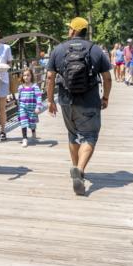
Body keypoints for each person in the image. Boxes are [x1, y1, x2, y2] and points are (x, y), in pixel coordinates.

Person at [46, 16, 112, 196]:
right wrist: (105, 97)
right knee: (89, 136)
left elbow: (50, 77)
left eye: (69, 28)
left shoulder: (58, 50)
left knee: (73, 134)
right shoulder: (95, 50)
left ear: (74, 31)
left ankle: (75, 166)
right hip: (89, 100)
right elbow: (107, 77)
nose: (68, 31)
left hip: (66, 100)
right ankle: (80, 170)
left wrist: (50, 100)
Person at [17, 68, 43, 147]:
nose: (26, 77)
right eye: (24, 75)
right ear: (22, 77)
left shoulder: (35, 87)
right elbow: (19, 98)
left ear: (31, 76)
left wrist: (38, 107)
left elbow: (38, 97)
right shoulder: (20, 87)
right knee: (23, 122)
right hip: (23, 108)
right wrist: (18, 107)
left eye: (28, 75)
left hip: (32, 108)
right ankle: (24, 139)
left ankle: (33, 132)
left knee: (32, 123)